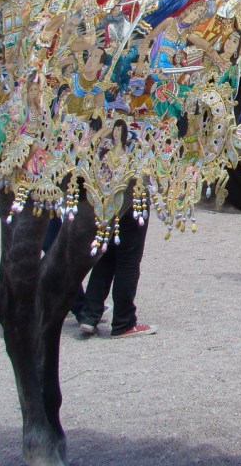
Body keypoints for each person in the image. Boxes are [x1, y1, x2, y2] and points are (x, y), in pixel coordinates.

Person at [77, 123, 155, 338]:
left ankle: (89, 315)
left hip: (106, 199)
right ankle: (123, 321)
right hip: (131, 196)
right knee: (128, 260)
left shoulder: (105, 130)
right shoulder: (139, 131)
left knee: (106, 255)